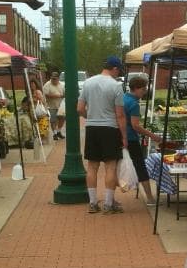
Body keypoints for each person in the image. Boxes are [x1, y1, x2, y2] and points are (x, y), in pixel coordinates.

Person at [77, 55, 127, 213]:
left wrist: (89, 116)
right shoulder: (116, 86)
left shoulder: (88, 82)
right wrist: (124, 136)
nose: (118, 74)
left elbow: (79, 109)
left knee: (92, 166)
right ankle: (108, 203)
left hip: (92, 128)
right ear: (115, 69)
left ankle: (92, 203)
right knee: (110, 167)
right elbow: (120, 114)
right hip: (110, 128)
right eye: (118, 71)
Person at [123, 74, 162, 205]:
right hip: (131, 139)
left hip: (119, 137)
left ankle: (110, 198)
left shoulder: (122, 98)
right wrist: (152, 135)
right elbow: (135, 126)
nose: (145, 92)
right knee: (140, 167)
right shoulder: (134, 104)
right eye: (143, 89)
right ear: (136, 88)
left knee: (116, 166)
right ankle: (150, 198)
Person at [43, 72, 65, 140]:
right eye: (52, 79)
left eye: (55, 79)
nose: (53, 80)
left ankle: (59, 131)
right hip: (51, 105)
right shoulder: (47, 85)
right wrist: (56, 96)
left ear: (58, 79)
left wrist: (62, 96)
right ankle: (54, 133)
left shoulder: (62, 84)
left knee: (62, 118)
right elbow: (46, 94)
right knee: (53, 120)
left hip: (61, 105)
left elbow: (65, 93)